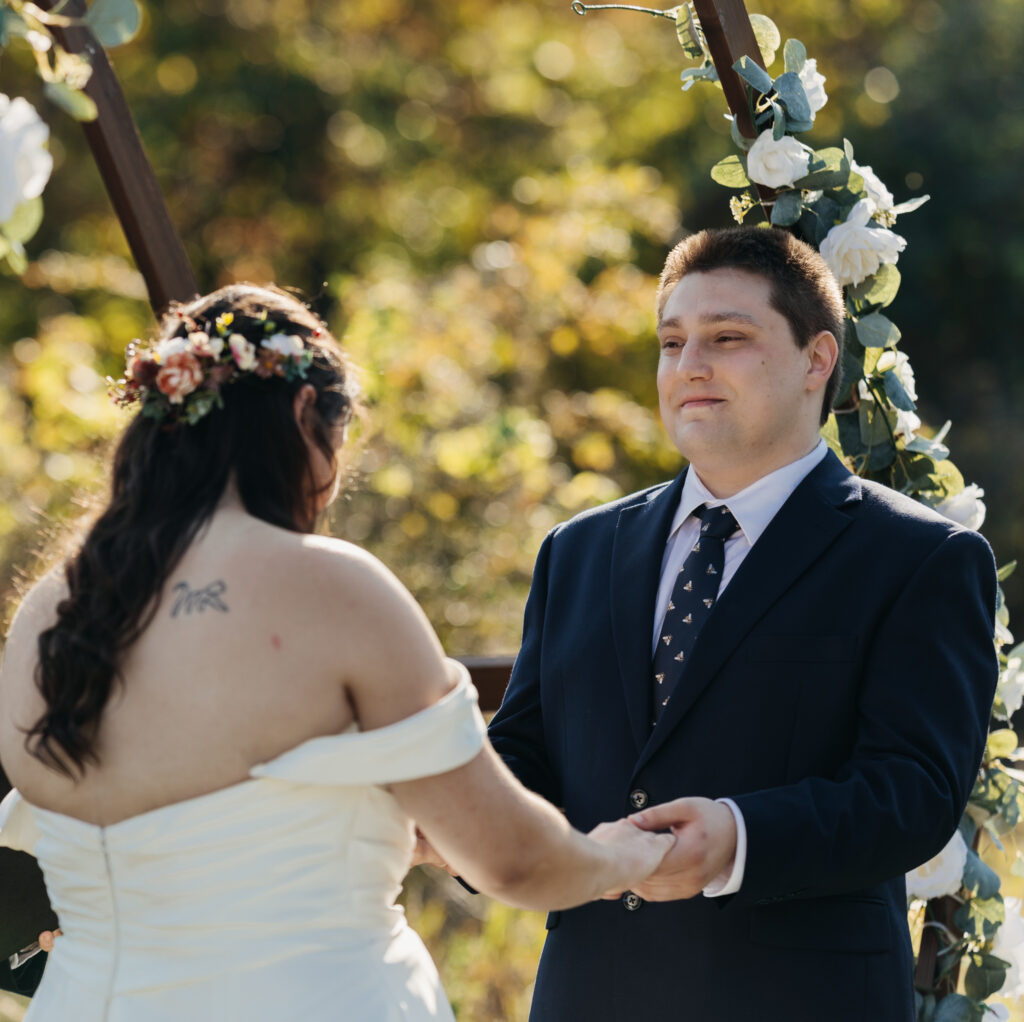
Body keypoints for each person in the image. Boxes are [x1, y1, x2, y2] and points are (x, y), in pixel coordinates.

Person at [0, 284, 673, 1020]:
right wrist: (621, 856)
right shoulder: (334, 587)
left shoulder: (51, 608)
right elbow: (512, 859)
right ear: (301, 415)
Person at [485, 226, 999, 1021]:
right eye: (671, 341)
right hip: (590, 995)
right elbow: (523, 756)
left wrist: (737, 838)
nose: (690, 365)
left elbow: (914, 793)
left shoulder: (921, 559)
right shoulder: (578, 550)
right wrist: (453, 818)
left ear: (817, 360)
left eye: (727, 337)